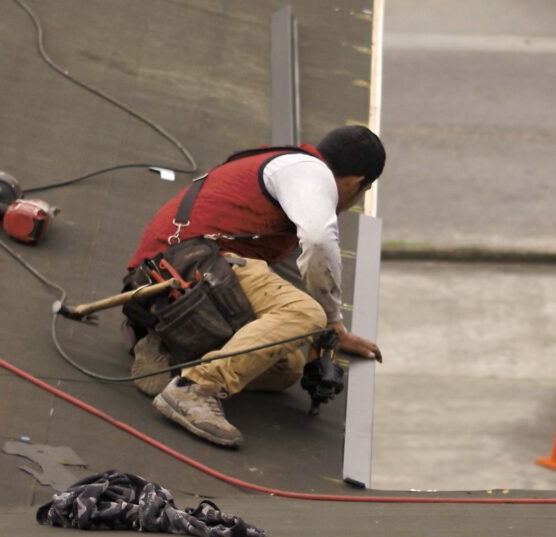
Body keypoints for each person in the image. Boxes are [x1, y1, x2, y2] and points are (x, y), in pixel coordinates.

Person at [125, 125, 385, 447]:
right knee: (307, 315)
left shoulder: (286, 165)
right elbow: (319, 243)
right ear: (358, 183)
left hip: (170, 276)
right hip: (187, 266)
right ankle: (195, 388)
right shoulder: (312, 174)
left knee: (286, 367)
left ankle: (171, 342)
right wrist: (332, 321)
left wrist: (323, 336)